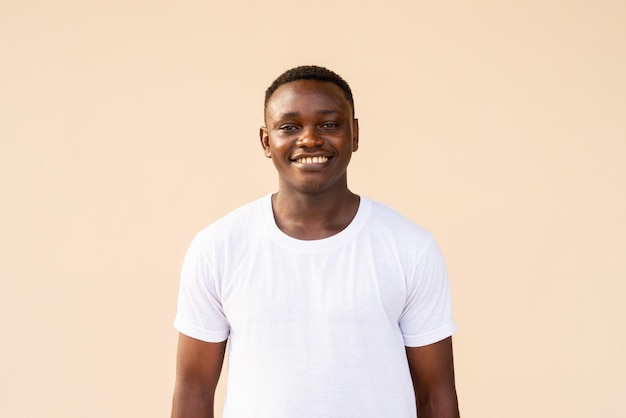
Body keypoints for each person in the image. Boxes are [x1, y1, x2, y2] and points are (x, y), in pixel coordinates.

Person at [171, 65, 460, 418]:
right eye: (290, 127)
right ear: (266, 141)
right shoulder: (217, 248)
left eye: (328, 124)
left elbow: (435, 395)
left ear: (354, 133)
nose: (309, 139)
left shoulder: (411, 248)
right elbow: (194, 390)